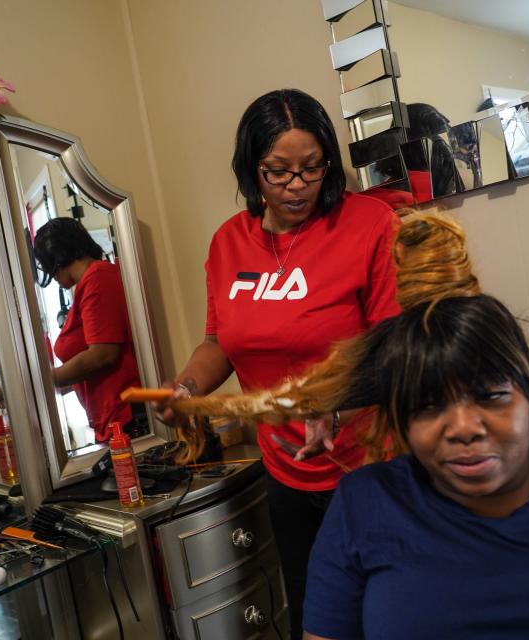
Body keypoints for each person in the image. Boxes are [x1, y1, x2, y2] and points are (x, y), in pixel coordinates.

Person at [169, 213, 529, 638]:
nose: (463, 427)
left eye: (491, 396)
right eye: (426, 406)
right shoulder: (365, 508)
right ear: (398, 418)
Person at [159, 88, 401, 640]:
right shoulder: (228, 243)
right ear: (251, 170)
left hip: (369, 471)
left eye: (312, 168)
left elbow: (394, 347)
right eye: (278, 172)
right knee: (315, 620)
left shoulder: (369, 223)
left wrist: (336, 409)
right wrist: (188, 387)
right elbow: (221, 341)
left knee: (385, 619)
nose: (297, 185)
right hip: (286, 474)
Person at [0, 217, 142, 443]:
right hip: (108, 420)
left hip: (123, 417)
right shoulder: (88, 285)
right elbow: (77, 373)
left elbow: (101, 356)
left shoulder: (98, 278)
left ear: (54, 258)